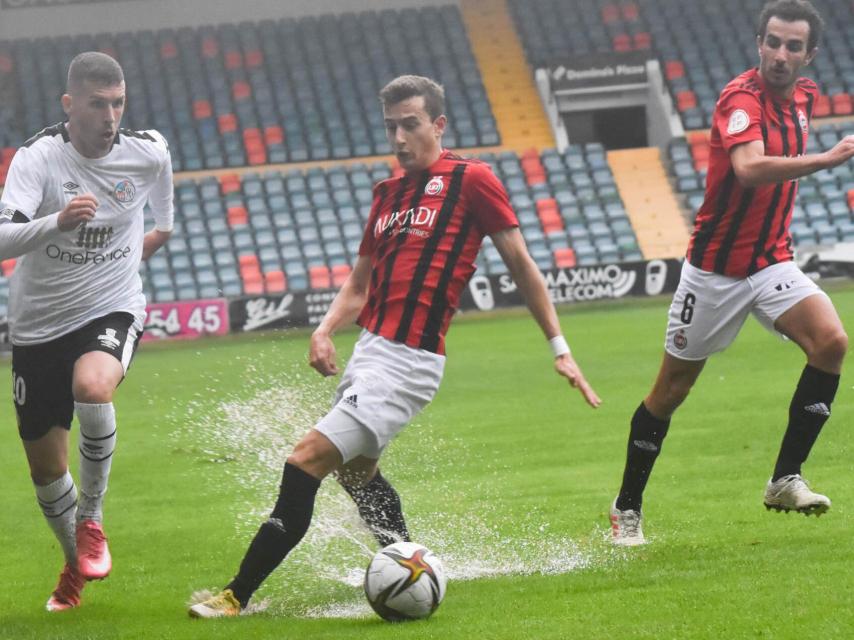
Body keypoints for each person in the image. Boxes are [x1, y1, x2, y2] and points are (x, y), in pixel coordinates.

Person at [189, 74, 600, 618]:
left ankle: (236, 595)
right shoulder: (387, 194)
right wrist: (324, 329)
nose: (400, 137)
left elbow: (522, 266)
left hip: (409, 362)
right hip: (371, 354)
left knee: (305, 460)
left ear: (438, 124)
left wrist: (559, 346)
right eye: (391, 126)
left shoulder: (471, 179)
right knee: (355, 473)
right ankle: (409, 562)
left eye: (411, 124)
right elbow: (359, 284)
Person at [609, 0, 854, 546]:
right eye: (772, 42)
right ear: (758, 44)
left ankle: (784, 479)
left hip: (771, 261)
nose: (780, 54)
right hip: (714, 273)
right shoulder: (741, 99)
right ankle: (626, 507)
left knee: (832, 342)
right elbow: (747, 170)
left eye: (793, 46)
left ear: (809, 55)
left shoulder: (806, 97)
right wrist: (825, 160)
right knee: (671, 390)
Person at [0, 51, 174, 608]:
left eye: (118, 103)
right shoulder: (39, 158)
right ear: (70, 105)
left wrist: (148, 240)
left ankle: (92, 520)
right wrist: (57, 221)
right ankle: (74, 564)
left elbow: (164, 213)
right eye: (98, 104)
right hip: (37, 326)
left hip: (110, 306)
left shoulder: (148, 152)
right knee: (46, 469)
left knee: (93, 387)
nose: (110, 115)